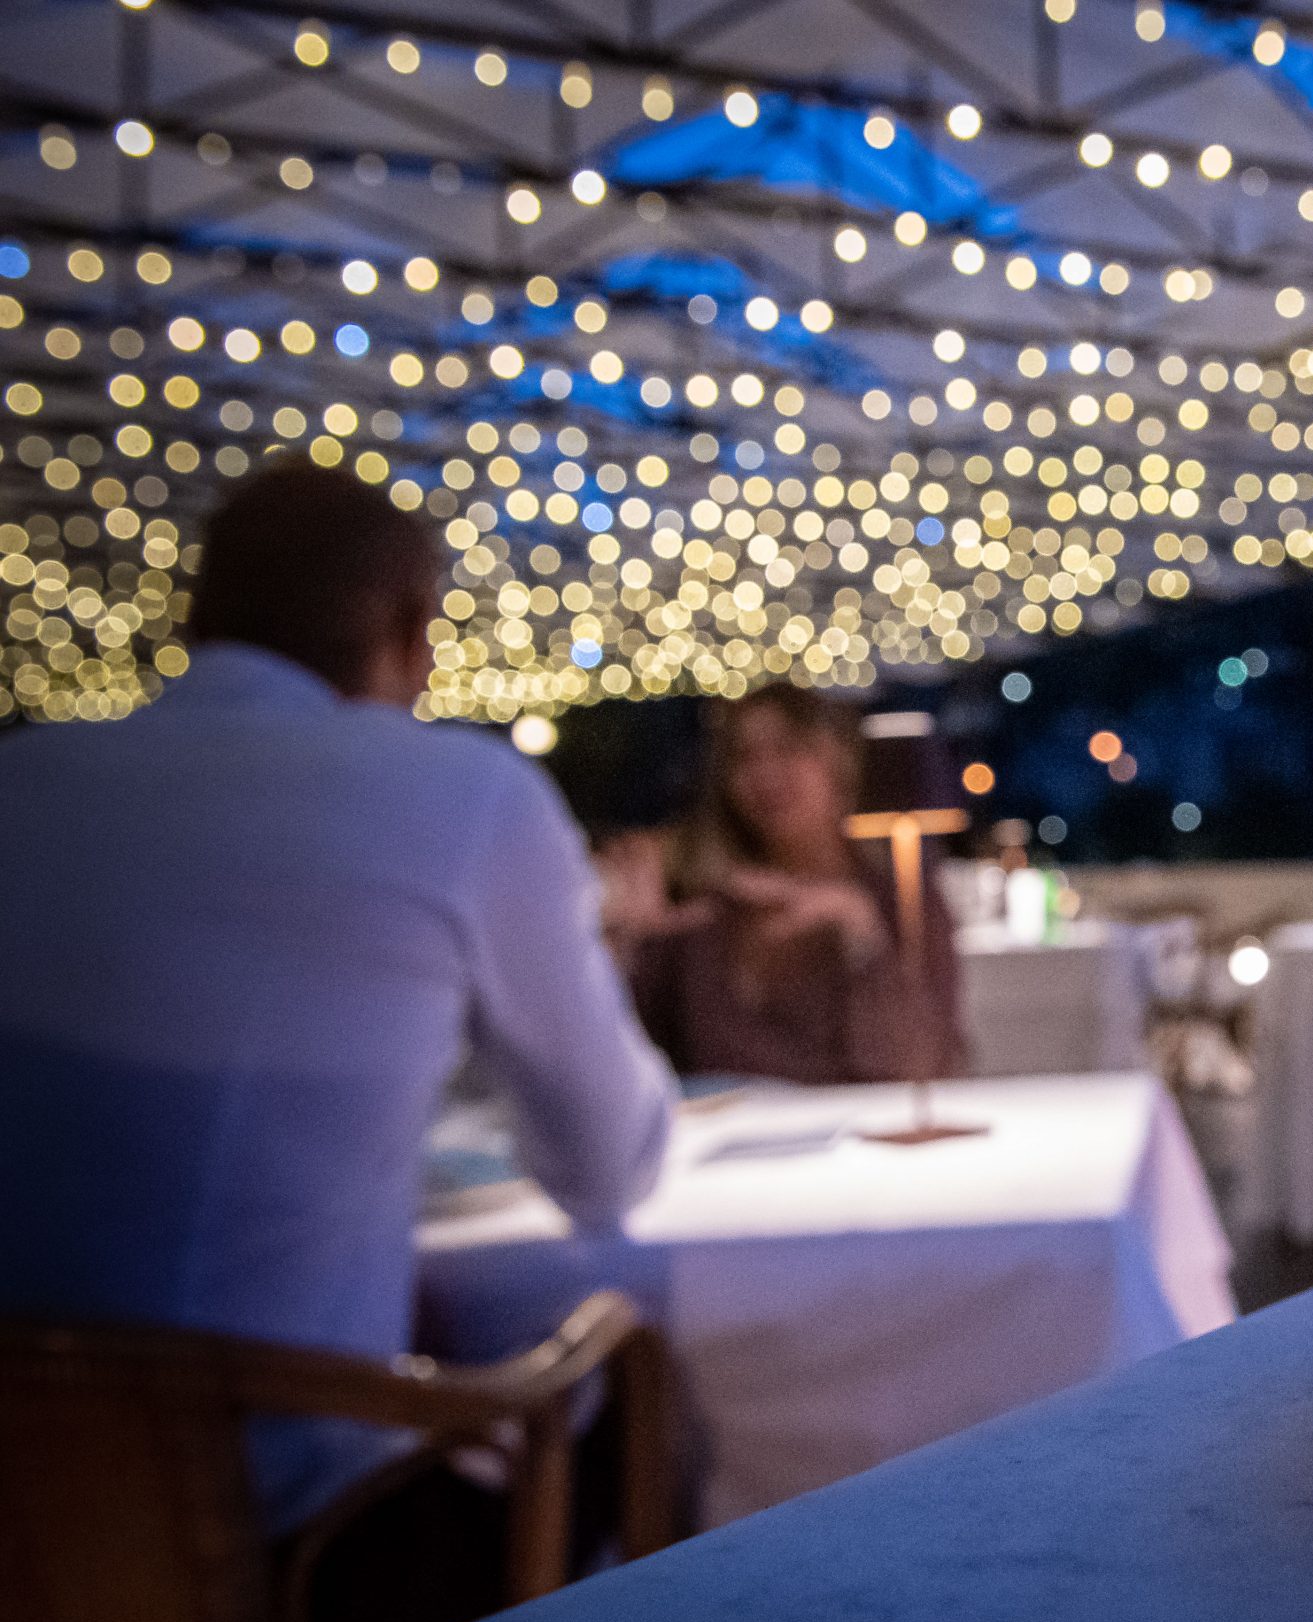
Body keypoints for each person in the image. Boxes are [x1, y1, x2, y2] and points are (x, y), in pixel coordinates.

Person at [0, 460, 674, 1538]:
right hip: (283, 1541)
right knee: (624, 1389)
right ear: (412, 634)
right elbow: (607, 1170)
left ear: (203, 613)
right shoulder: (463, 794)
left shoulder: (25, 781)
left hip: (32, 1531)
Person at [602, 684, 965, 1085]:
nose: (765, 773)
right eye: (744, 757)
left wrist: (861, 930)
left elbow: (924, 1068)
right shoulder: (703, 911)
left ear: (837, 757)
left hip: (856, 1139)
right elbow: (628, 1072)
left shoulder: (899, 898)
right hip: (727, 1141)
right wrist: (619, 951)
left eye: (789, 748)